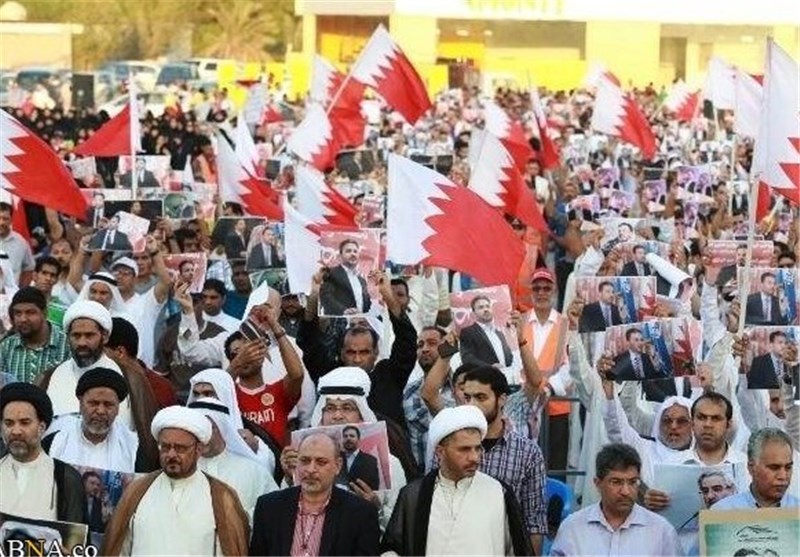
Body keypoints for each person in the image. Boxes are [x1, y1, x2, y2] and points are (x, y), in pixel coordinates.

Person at [380, 405, 532, 556]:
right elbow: (394, 546)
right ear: (440, 452)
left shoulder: (499, 491)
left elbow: (518, 550)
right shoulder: (415, 494)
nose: (474, 457)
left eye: (477, 448)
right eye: (464, 449)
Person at [100, 405, 250, 556]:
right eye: (165, 447)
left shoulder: (221, 496)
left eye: (180, 448)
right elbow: (119, 549)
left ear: (198, 450)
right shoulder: (137, 490)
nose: (171, 454)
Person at [459, 366, 547, 553]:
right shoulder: (449, 447)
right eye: (467, 398)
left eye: (481, 397)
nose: (471, 405)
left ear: (502, 399)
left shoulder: (527, 453)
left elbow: (534, 521)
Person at [250, 433, 381, 556]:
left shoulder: (361, 513)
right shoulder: (269, 507)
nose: (311, 469)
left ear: (338, 465)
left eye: (321, 462)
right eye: (305, 461)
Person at [550, 443, 681, 556]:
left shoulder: (662, 531)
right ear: (597, 483)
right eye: (616, 482)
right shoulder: (572, 529)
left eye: (632, 482)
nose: (626, 491)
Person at [0, 383, 87, 523]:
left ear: (41, 427)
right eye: (9, 423)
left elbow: (75, 539)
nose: (16, 431)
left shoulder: (65, 477)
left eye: (25, 423)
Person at [37, 300, 133, 427]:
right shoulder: (48, 378)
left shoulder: (130, 377)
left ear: (104, 337)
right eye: (76, 336)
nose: (82, 343)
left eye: (89, 335)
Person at [188, 398, 278, 521]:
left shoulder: (253, 471)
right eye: (196, 429)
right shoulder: (183, 469)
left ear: (222, 428)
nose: (201, 435)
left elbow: (273, 511)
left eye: (209, 428)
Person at [43, 367, 139, 473]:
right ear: (80, 404)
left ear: (117, 409)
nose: (101, 411)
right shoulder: (54, 443)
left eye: (108, 405)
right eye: (93, 403)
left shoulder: (134, 447)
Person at [711, 428, 797, 509]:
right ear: (751, 468)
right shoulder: (722, 511)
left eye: (788, 467)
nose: (783, 476)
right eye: (774, 468)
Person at [0, 287, 70, 383]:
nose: (23, 319)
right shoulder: (6, 347)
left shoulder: (66, 344)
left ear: (45, 313)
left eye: (30, 312)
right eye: (18, 313)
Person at [458, 295, 513, 368]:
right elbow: (467, 358)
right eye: (481, 307)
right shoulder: (468, 332)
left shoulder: (499, 333)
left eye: (488, 306)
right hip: (484, 376)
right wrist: (489, 367)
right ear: (474, 312)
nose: (486, 309)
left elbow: (508, 356)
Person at [319, 239, 372, 315]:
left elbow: (366, 303)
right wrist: (343, 310)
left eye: (355, 251)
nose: (353, 254)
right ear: (340, 255)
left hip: (360, 323)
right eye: (348, 251)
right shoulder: (331, 273)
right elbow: (325, 297)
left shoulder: (361, 280)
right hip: (339, 322)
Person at [336, 425, 381, 491]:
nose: (348, 438)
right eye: (345, 436)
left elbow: (374, 488)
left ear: (359, 439)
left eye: (352, 436)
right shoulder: (335, 457)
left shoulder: (370, 461)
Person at [0, 201, 35, 285]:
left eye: (5, 219)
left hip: (10, 296)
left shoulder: (21, 242)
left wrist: (20, 292)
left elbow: (29, 269)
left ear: (11, 220)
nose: (1, 222)